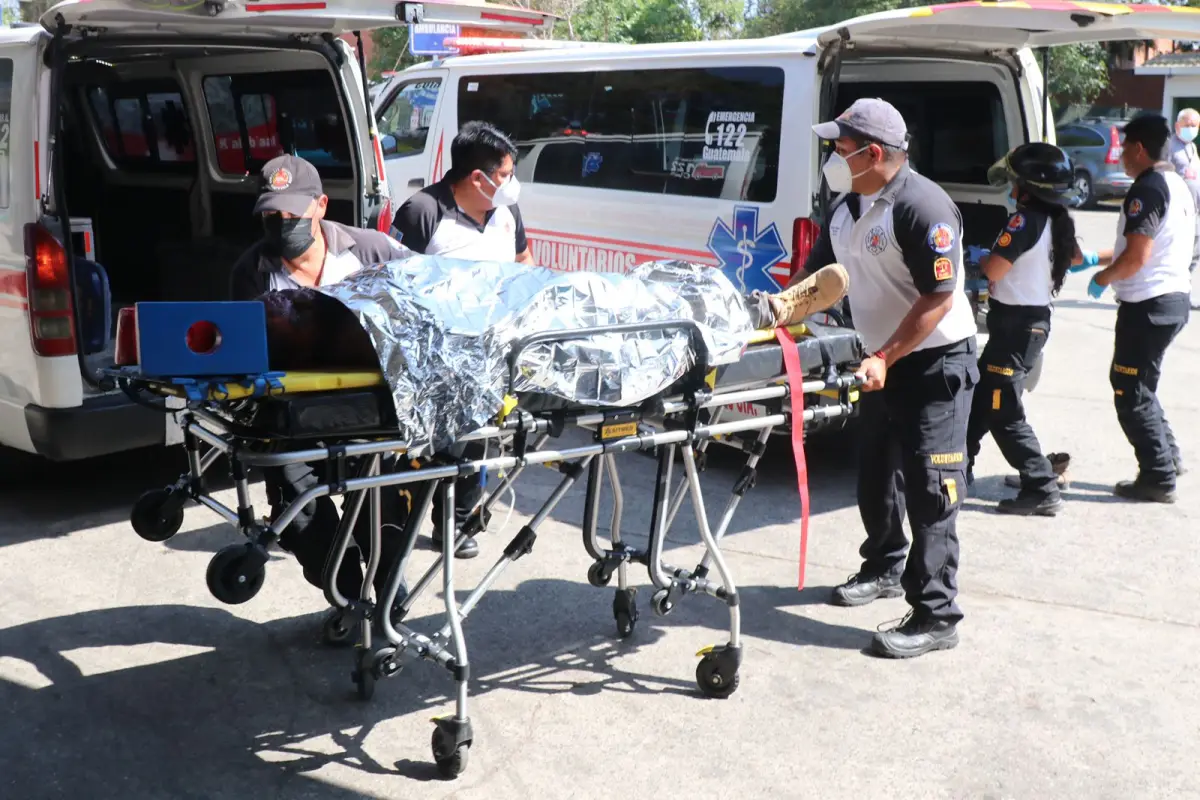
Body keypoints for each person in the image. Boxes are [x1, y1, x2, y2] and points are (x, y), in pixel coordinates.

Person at [801, 98, 979, 659]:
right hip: (879, 361)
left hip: (934, 364)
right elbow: (819, 274)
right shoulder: (847, 202)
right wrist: (777, 313)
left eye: (840, 147)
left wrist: (886, 355)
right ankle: (883, 564)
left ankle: (935, 614)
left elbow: (939, 296)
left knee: (932, 488)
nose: (832, 156)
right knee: (875, 473)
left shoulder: (924, 207)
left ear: (874, 153)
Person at [229, 153, 418, 614]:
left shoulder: (371, 250)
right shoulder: (250, 272)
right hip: (291, 418)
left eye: (292, 213)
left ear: (321, 207)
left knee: (381, 507)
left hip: (369, 412)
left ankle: (390, 589)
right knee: (302, 519)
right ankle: (348, 596)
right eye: (272, 215)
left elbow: (426, 295)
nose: (281, 223)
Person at [965, 142, 1095, 516]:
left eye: (1015, 183)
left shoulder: (1024, 221)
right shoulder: (1057, 220)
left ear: (1029, 188)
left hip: (1016, 327)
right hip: (1028, 324)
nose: (1011, 189)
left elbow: (993, 270)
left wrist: (982, 258)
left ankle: (1040, 486)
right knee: (982, 398)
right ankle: (959, 466)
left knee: (1003, 410)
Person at [1079, 114, 1193, 503]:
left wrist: (1104, 277)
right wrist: (1096, 257)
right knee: (1143, 385)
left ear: (1139, 149)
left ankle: (1158, 476)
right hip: (1171, 300)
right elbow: (1144, 246)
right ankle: (1169, 457)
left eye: (1124, 149)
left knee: (1129, 389)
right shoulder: (1176, 183)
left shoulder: (1148, 189)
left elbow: (1137, 257)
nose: (1121, 156)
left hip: (1148, 305)